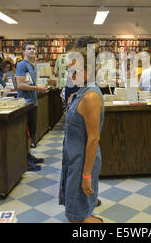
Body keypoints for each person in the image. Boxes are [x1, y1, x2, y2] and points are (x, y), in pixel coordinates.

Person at [59, 37, 104, 223]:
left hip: (82, 163)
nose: (71, 75)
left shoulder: (90, 96)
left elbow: (93, 139)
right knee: (76, 209)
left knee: (75, 215)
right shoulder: (82, 92)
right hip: (74, 159)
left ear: (90, 70)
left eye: (75, 71)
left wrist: (86, 175)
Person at [16, 42, 47, 170]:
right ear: (23, 51)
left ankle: (29, 155)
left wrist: (37, 87)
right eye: (29, 49)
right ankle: (24, 161)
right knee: (26, 132)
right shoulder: (21, 65)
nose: (32, 51)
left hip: (32, 102)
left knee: (30, 132)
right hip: (25, 103)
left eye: (33, 49)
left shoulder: (32, 65)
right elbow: (20, 85)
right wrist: (38, 88)